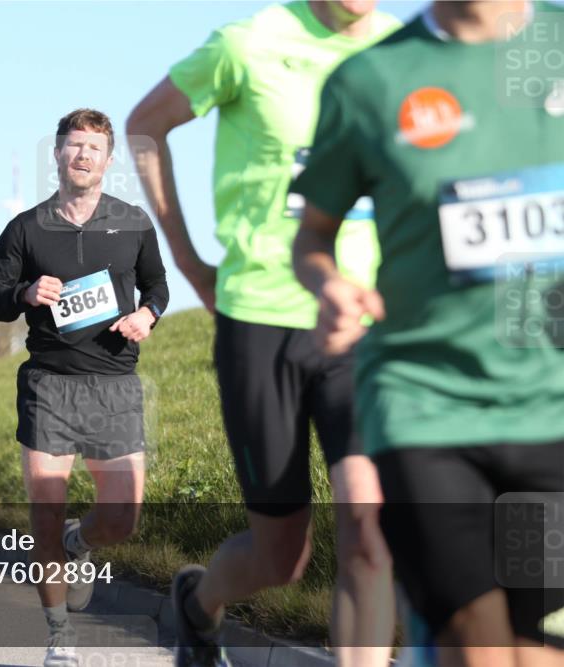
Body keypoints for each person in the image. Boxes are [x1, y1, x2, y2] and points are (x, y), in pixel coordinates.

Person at [127, 2, 400, 665]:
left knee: (370, 529)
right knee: (282, 553)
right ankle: (198, 604)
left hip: (363, 323)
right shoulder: (247, 44)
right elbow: (145, 126)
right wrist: (189, 263)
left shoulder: (407, 52)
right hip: (260, 319)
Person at [291, 2, 564, 666]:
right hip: (425, 403)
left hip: (551, 407)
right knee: (477, 645)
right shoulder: (372, 81)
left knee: (537, 651)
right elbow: (313, 235)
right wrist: (329, 284)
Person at [0, 108, 169, 667]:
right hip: (50, 383)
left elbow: (157, 285)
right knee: (45, 510)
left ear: (108, 161)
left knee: (124, 514)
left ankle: (81, 546)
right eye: (72, 145)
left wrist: (148, 316)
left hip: (113, 383)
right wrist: (25, 293)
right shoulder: (27, 228)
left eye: (93, 148)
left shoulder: (131, 221)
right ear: (57, 154)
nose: (82, 155)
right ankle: (59, 636)